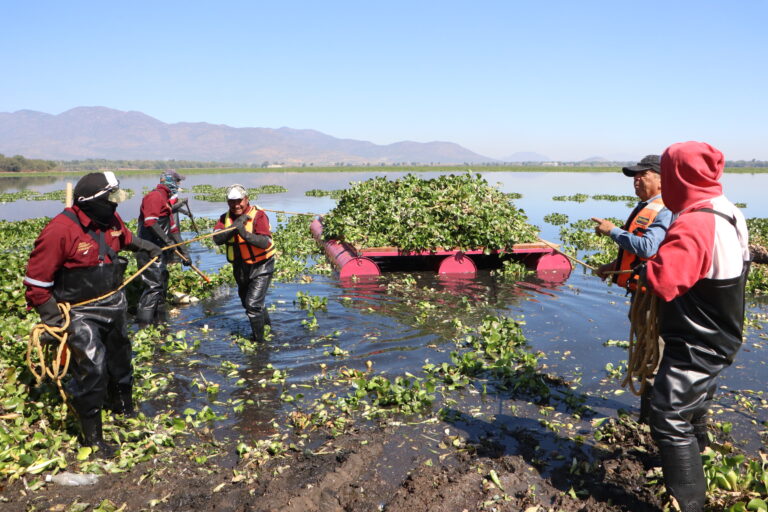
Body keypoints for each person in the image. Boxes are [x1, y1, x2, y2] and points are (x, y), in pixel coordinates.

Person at [642, 142, 750, 511]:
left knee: (668, 416)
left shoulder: (693, 221)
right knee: (697, 397)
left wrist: (648, 266)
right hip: (724, 330)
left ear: (677, 176)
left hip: (697, 338)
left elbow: (664, 281)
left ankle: (689, 503)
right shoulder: (727, 210)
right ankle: (700, 450)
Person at [24, 172, 162, 457]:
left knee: (120, 360)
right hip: (79, 311)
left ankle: (123, 409)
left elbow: (124, 238)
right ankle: (92, 437)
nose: (115, 204)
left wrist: (146, 246)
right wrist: (55, 320)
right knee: (93, 369)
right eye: (110, 198)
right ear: (92, 202)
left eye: (116, 197)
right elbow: (36, 285)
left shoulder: (111, 220)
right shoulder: (60, 230)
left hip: (113, 303)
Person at [591, 155, 672, 423]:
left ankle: (652, 420)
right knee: (646, 351)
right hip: (641, 292)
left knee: (652, 355)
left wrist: (613, 231)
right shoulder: (645, 206)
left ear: (661, 179)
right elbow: (639, 254)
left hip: (653, 296)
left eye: (643, 175)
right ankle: (648, 415)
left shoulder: (666, 208)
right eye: (634, 176)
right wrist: (612, 265)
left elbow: (649, 247)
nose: (636, 180)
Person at [212, 184, 276, 341]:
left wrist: (244, 233)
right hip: (240, 268)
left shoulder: (259, 215)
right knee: (249, 303)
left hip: (262, 266)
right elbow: (217, 239)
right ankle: (268, 331)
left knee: (253, 305)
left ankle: (260, 343)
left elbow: (264, 242)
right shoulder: (224, 218)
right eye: (231, 202)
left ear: (247, 199)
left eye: (239, 201)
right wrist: (234, 227)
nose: (236, 205)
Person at [135, 170, 191, 327]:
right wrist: (166, 241)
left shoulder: (166, 201)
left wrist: (184, 253)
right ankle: (144, 329)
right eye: (177, 182)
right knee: (153, 288)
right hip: (149, 251)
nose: (178, 186)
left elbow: (174, 232)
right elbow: (150, 222)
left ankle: (160, 326)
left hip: (161, 252)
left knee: (161, 287)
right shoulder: (154, 197)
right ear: (169, 182)